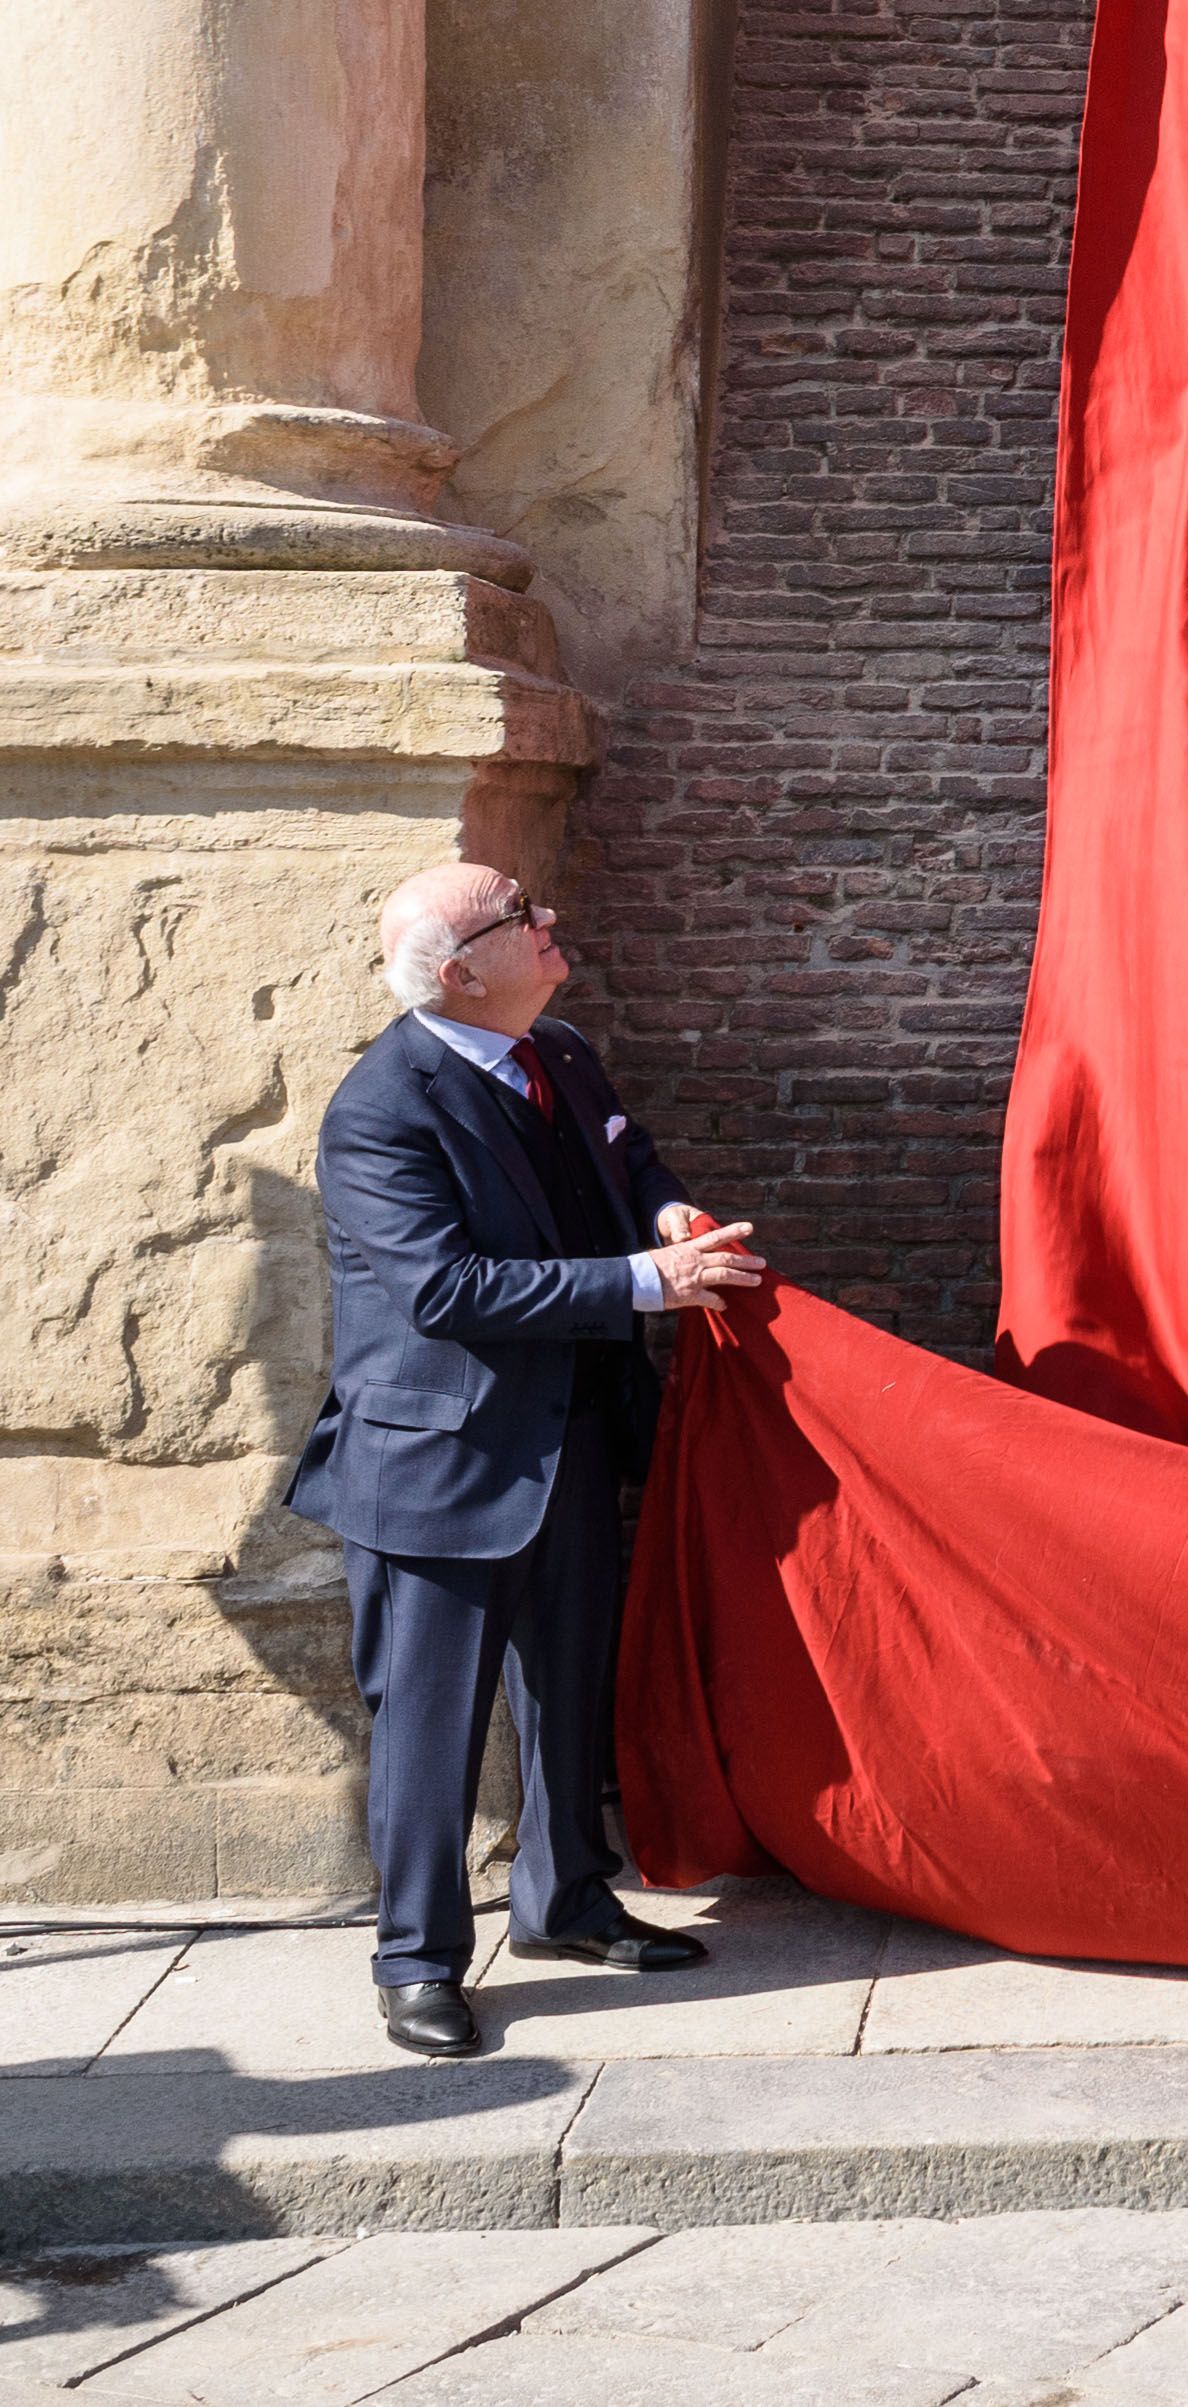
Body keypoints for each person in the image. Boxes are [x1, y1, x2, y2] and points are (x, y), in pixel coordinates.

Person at [287, 864, 767, 2055]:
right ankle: (418, 1960)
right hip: (436, 1467)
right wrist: (647, 1283)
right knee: (429, 1727)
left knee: (569, 1691)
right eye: (521, 917)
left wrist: (659, 1212)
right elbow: (445, 1289)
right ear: (458, 974)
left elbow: (628, 1153)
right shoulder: (379, 1112)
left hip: (572, 1439)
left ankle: (561, 1903)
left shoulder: (558, 1050)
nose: (548, 921)